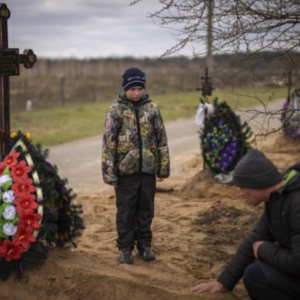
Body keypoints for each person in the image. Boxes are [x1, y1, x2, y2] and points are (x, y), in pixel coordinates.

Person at [191, 149, 300, 300]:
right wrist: (224, 281)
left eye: (242, 187)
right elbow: (256, 237)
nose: (241, 193)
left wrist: (264, 249)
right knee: (256, 272)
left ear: (257, 183)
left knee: (254, 275)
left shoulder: (296, 203)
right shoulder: (276, 198)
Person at [102, 67, 170, 265]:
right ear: (125, 88)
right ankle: (125, 248)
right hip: (125, 173)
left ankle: (144, 245)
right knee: (126, 211)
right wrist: (110, 173)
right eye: (133, 89)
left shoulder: (152, 109)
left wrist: (163, 167)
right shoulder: (115, 110)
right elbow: (108, 143)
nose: (137, 92)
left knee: (146, 209)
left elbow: (162, 140)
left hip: (148, 170)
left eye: (140, 88)